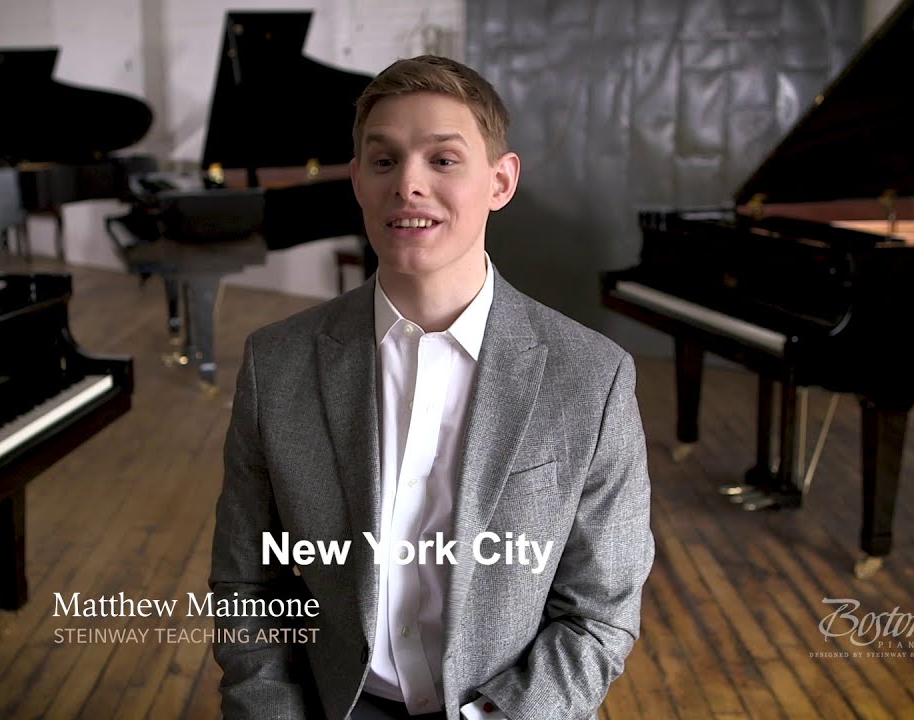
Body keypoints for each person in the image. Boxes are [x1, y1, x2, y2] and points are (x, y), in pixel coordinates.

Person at [209, 54, 654, 720]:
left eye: (443, 160)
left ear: (500, 182)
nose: (408, 185)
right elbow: (249, 584)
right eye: (384, 161)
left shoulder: (594, 378)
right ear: (357, 179)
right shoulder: (274, 364)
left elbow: (599, 614)